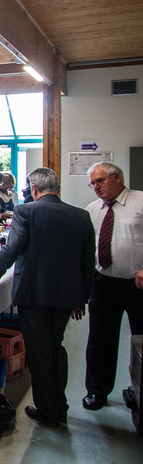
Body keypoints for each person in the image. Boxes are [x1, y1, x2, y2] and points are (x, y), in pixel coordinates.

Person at [0, 167, 95, 427]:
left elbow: (13, 247)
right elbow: (89, 262)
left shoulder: (26, 211)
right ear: (57, 187)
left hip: (34, 292)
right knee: (56, 346)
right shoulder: (81, 216)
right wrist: (82, 299)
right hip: (67, 294)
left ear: (33, 189)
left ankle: (49, 410)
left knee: (40, 351)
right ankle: (59, 405)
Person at [83, 162, 143, 411]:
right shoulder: (92, 210)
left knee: (141, 340)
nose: (96, 187)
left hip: (137, 285)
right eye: (93, 183)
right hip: (103, 283)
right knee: (100, 340)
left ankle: (138, 391)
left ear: (116, 177)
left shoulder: (140, 202)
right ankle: (97, 391)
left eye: (100, 181)